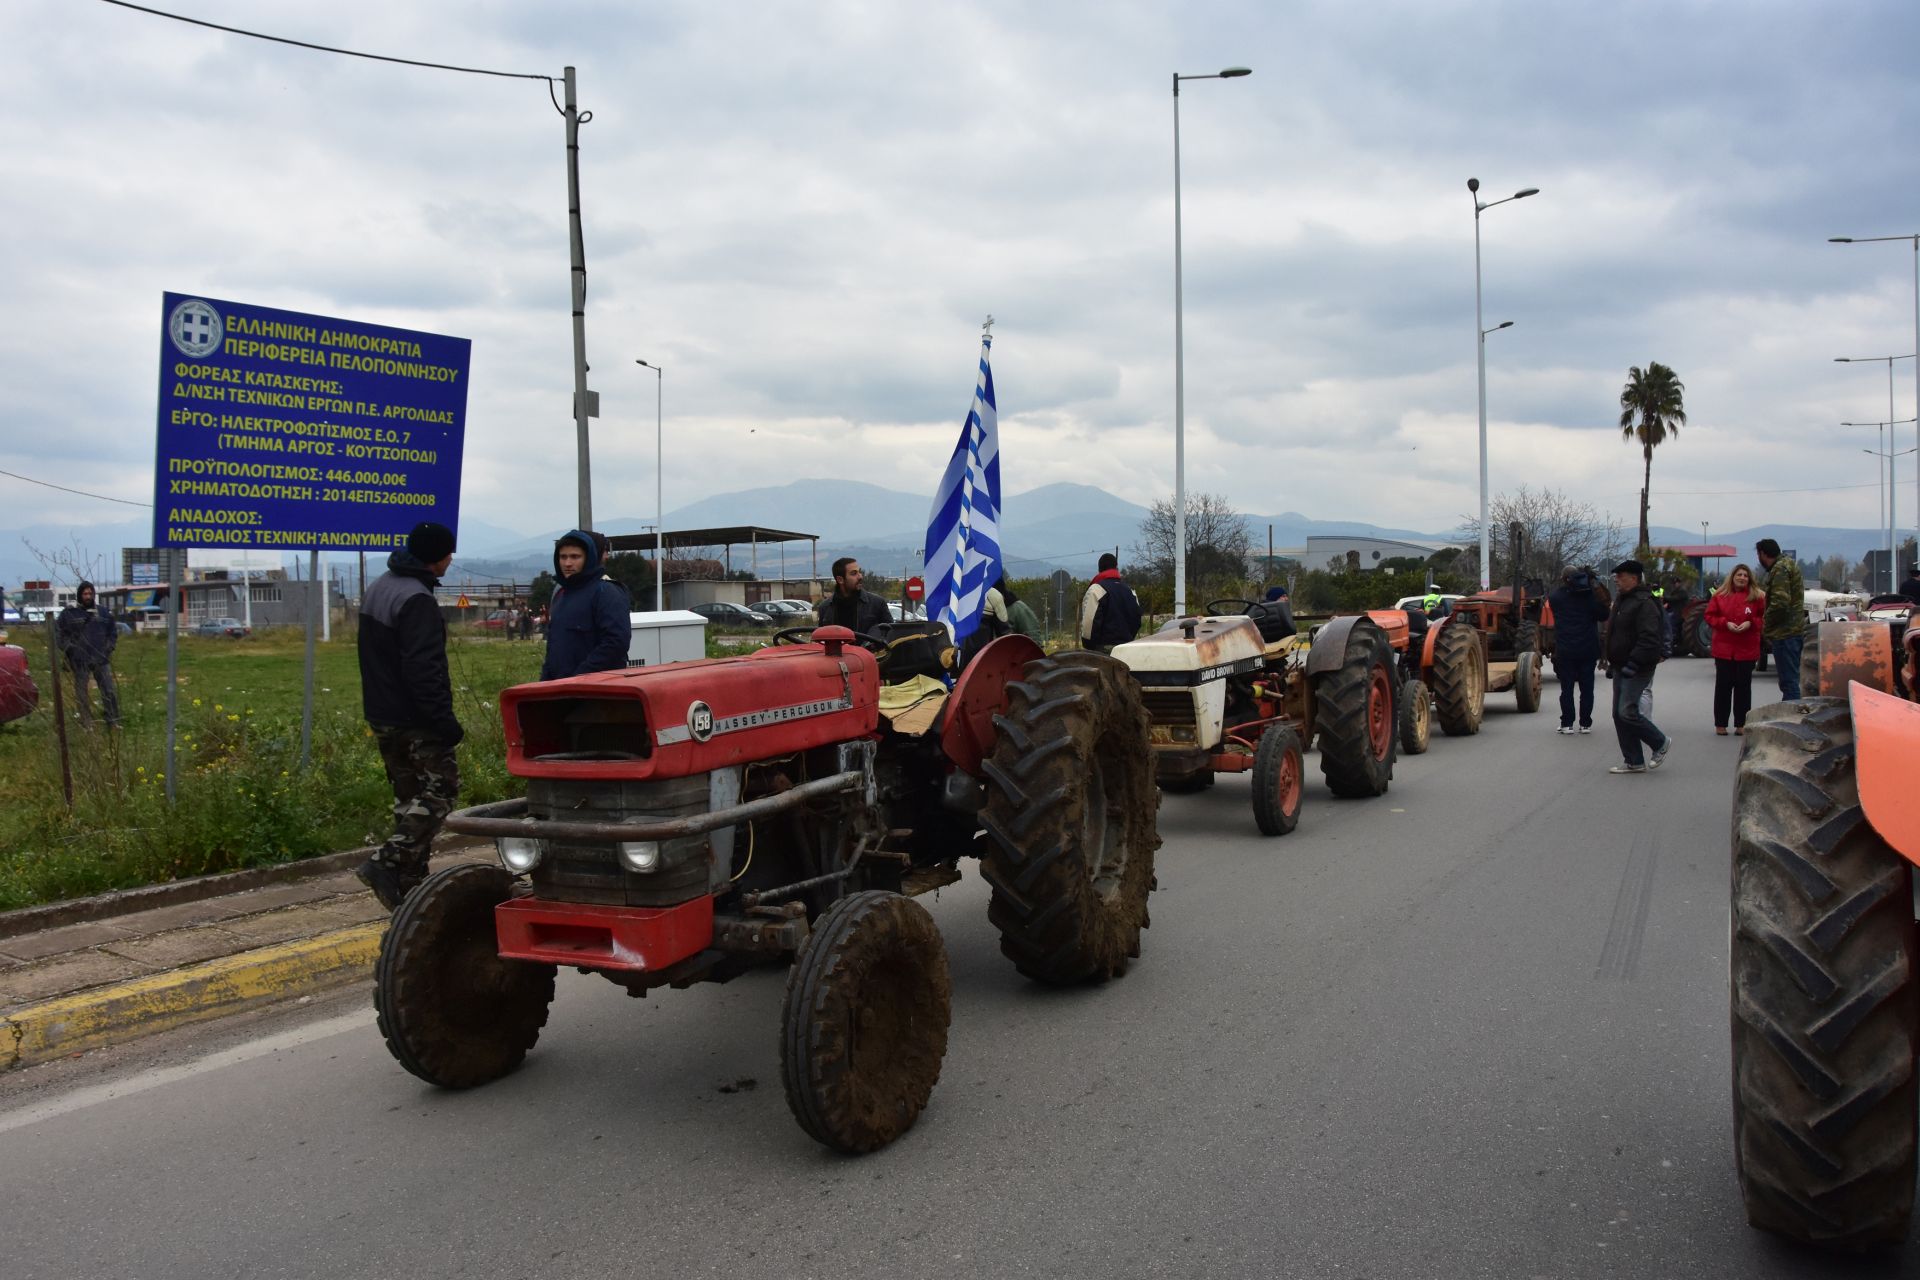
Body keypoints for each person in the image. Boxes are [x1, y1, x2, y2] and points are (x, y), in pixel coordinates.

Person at [355, 522, 464, 910]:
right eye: (449, 554)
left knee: (408, 799)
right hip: (415, 717)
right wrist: (444, 721)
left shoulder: (380, 587)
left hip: (382, 712)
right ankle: (386, 862)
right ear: (438, 557)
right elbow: (423, 669)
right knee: (441, 791)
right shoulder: (416, 598)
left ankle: (410, 887)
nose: (450, 560)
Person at [1604, 559, 1671, 775]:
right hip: (1620, 665)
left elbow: (1649, 638)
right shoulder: (1622, 600)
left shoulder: (1645, 603)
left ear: (1634, 578)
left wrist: (1634, 662)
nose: (1616, 580)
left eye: (1620, 576)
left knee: (1627, 711)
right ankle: (1633, 761)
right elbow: (1615, 633)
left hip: (1638, 667)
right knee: (1618, 714)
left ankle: (1660, 742)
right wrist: (1611, 661)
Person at [540, 530, 633, 681]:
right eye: (563, 557)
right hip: (560, 688)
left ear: (589, 558)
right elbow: (553, 649)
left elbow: (615, 643)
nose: (567, 563)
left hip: (596, 688)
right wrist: (544, 684)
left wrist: (578, 679)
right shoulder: (560, 595)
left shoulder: (606, 592)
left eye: (575, 557)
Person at [1547, 566, 1609, 735]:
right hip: (1588, 648)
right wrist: (1594, 586)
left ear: (1564, 579)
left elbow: (1556, 601)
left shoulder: (1556, 597)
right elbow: (1604, 614)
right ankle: (1585, 724)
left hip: (1566, 649)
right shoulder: (1590, 597)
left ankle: (1567, 723)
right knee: (1587, 688)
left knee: (1566, 688)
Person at [1706, 562, 1765, 736]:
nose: (1742, 578)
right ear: (1732, 577)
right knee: (1723, 687)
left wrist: (1751, 623)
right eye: (1739, 575)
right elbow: (1709, 616)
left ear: (1750, 579)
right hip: (1724, 649)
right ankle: (1721, 724)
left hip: (1747, 649)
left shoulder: (1758, 597)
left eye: (1745, 575)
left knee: (1743, 688)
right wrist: (1725, 623)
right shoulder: (1719, 596)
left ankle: (1741, 723)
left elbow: (1763, 618)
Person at [56, 581, 120, 729]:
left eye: (90, 593)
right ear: (80, 595)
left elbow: (112, 633)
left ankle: (112, 721)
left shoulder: (103, 613)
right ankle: (86, 723)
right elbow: (59, 634)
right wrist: (71, 649)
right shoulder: (69, 613)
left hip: (101, 658)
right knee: (82, 693)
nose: (88, 596)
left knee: (108, 690)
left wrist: (108, 648)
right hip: (80, 660)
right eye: (85, 594)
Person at [1755, 538, 1805, 701]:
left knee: (1789, 683)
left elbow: (1780, 603)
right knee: (1790, 681)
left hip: (1785, 633)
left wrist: (1766, 624)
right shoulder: (1788, 564)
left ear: (1763, 554)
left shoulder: (1780, 569)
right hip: (1792, 631)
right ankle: (1791, 709)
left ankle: (1791, 713)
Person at [1079, 553, 1142, 653]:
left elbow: (1089, 623)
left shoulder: (1096, 590)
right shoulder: (1130, 591)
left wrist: (1089, 646)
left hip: (1103, 650)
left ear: (1099, 569)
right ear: (1116, 567)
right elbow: (1137, 619)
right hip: (1127, 649)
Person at [815, 557, 891, 636]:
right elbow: (821, 639)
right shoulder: (825, 608)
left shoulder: (877, 604)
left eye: (859, 572)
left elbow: (891, 635)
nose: (860, 576)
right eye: (854, 573)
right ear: (840, 580)